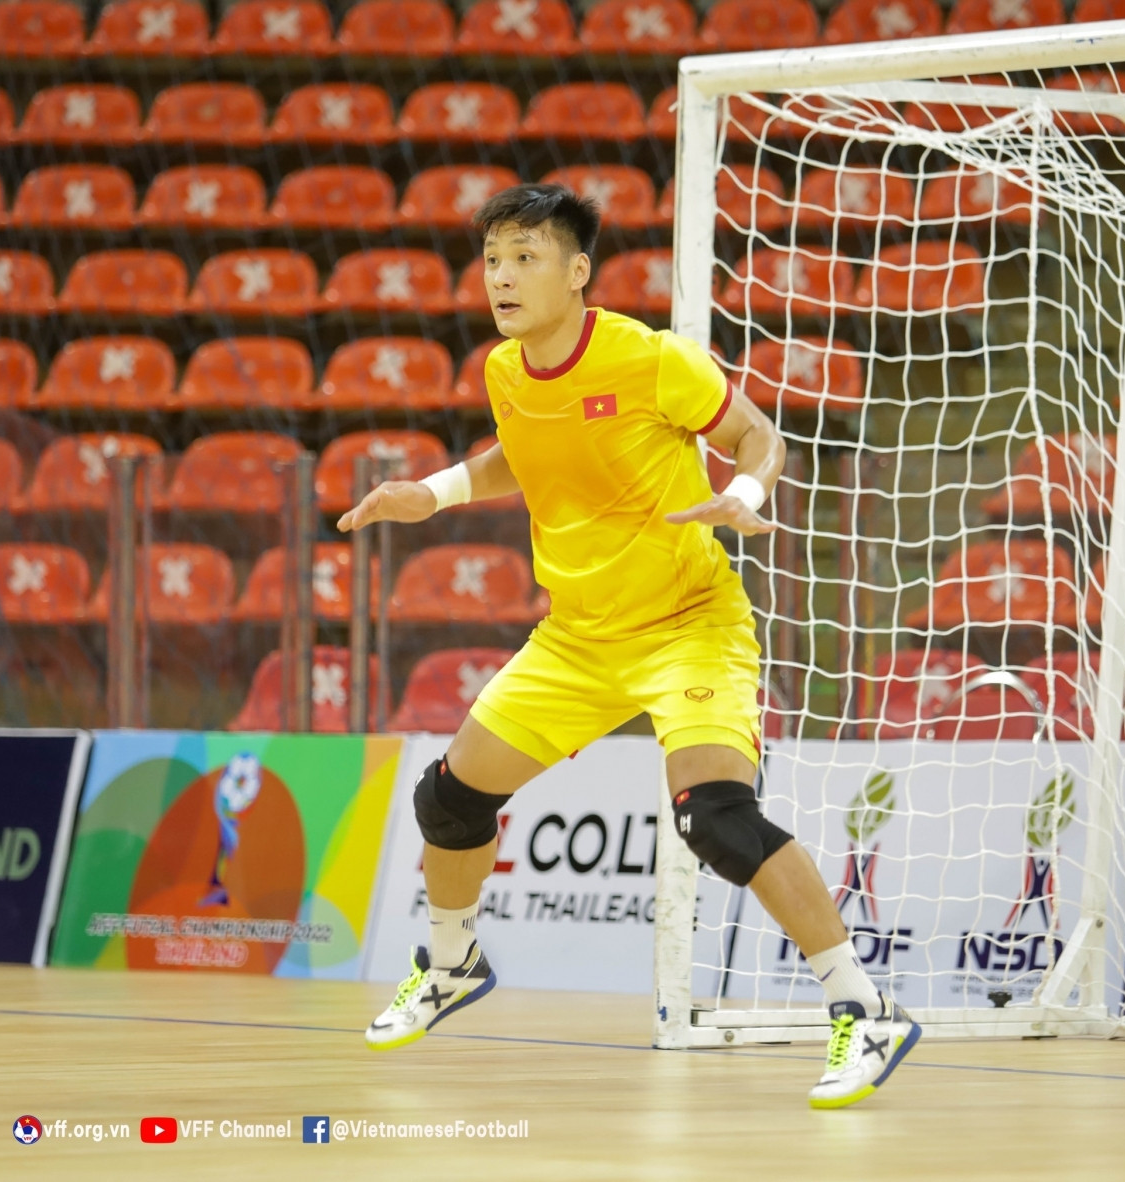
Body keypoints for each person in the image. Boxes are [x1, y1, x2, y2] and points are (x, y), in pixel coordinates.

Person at [338, 184, 920, 1109]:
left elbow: (756, 434)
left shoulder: (649, 360)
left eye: (526, 256)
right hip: (577, 638)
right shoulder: (502, 369)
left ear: (578, 272)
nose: (502, 276)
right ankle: (451, 962)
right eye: (492, 258)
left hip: (690, 623)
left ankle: (864, 1006)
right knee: (448, 802)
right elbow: (520, 451)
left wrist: (750, 495)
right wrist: (437, 492)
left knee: (716, 818)